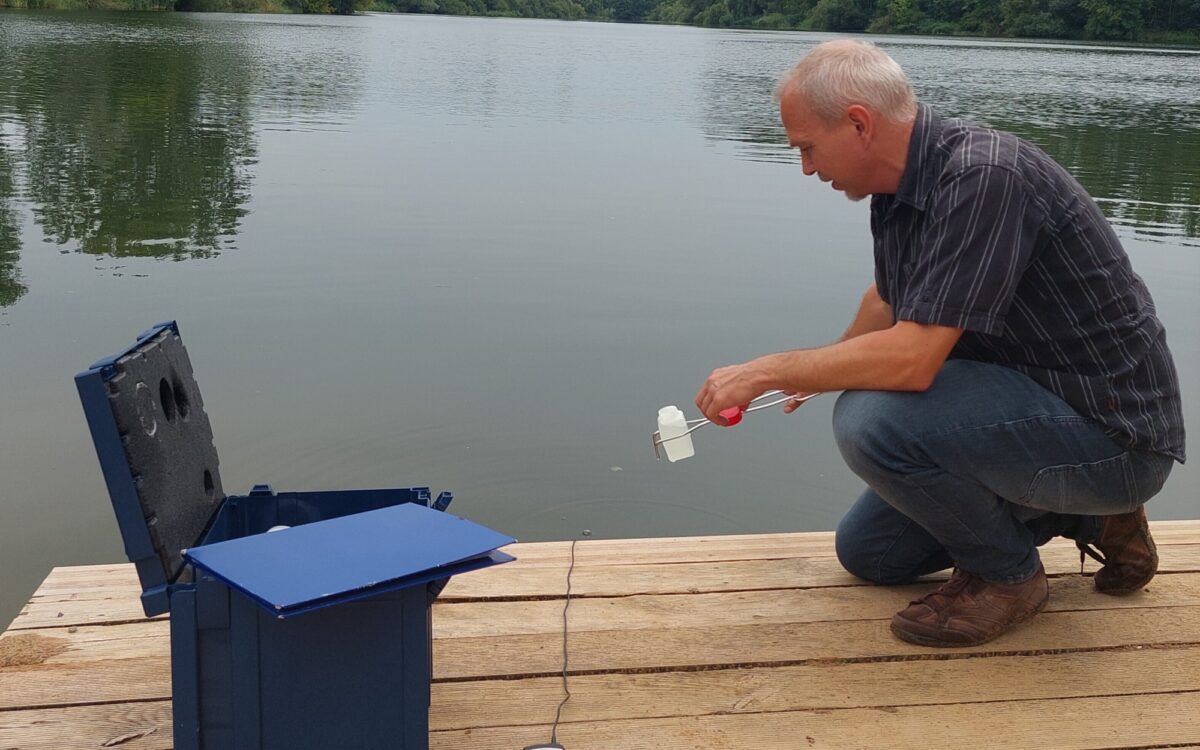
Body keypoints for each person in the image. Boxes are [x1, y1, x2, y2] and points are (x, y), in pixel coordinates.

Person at [694, 39, 1185, 648]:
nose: (807, 168)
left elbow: (913, 360)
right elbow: (889, 298)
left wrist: (768, 370)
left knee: (869, 419)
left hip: (1113, 440)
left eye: (807, 147)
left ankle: (1009, 578)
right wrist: (817, 371)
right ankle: (1087, 516)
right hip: (1035, 413)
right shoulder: (899, 186)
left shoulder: (985, 177)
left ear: (858, 124)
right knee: (871, 553)